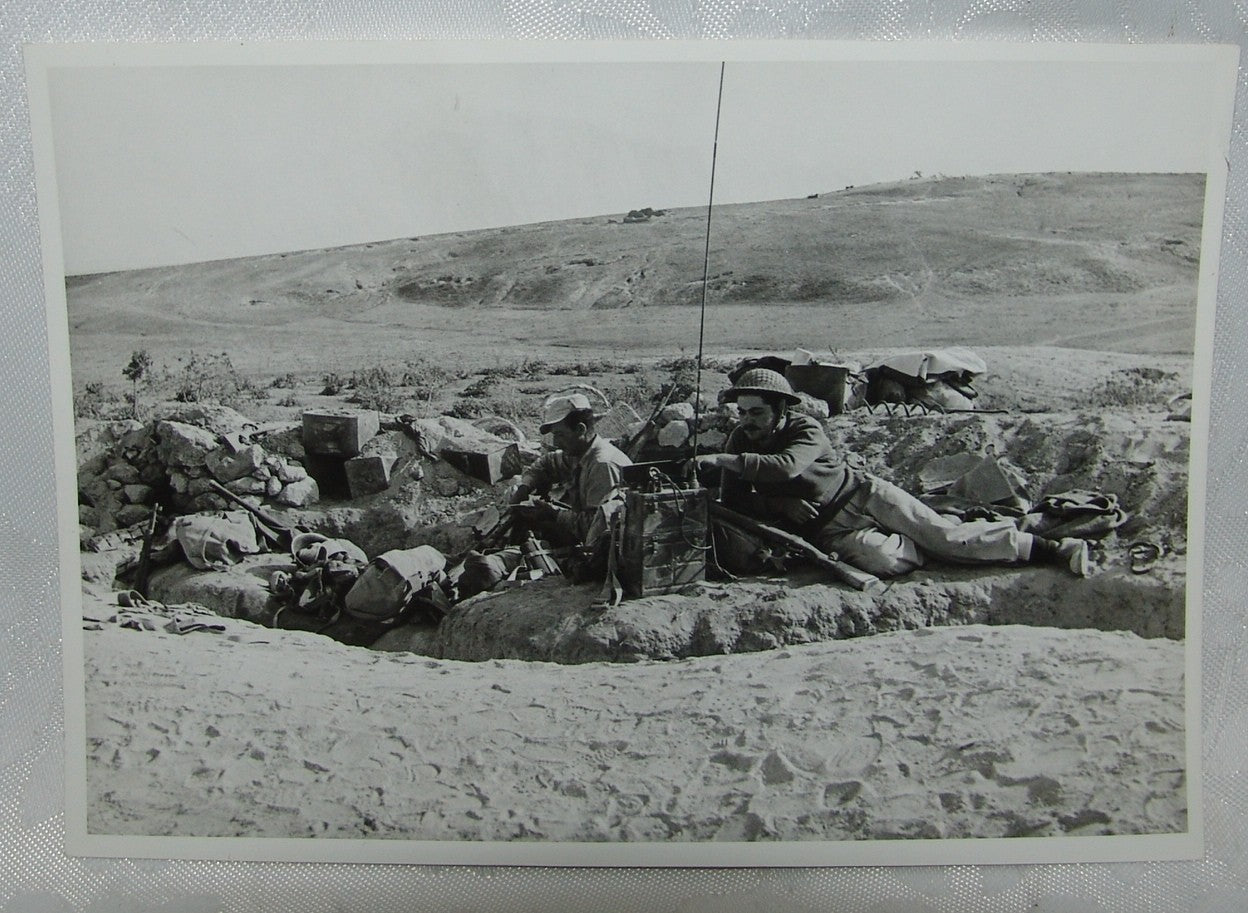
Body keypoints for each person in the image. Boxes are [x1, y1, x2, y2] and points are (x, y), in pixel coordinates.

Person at [695, 368, 1090, 579]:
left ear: (780, 410)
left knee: (947, 538)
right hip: (830, 529)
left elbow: (786, 466)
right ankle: (928, 539)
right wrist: (777, 501)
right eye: (742, 412)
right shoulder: (739, 440)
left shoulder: (805, 429)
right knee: (882, 560)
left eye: (756, 412)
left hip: (863, 495)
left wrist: (725, 461)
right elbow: (734, 502)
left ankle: (1052, 550)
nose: (746, 421)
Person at [508, 393, 633, 553]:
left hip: (610, 551)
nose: (555, 443)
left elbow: (597, 530)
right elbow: (545, 464)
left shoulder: (603, 465)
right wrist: (524, 488)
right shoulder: (579, 452)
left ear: (581, 429)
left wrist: (553, 514)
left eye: (560, 435)